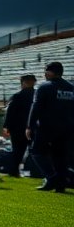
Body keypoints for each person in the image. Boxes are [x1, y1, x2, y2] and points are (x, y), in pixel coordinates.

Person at [26, 62, 74, 192]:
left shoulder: (45, 87)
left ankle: (52, 178)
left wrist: (29, 126)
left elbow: (36, 107)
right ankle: (61, 185)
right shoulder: (71, 88)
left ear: (50, 72)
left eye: (46, 71)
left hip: (47, 127)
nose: (45, 74)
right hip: (67, 128)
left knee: (36, 152)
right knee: (61, 157)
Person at [2, 74, 37, 177]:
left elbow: (10, 112)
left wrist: (7, 126)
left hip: (18, 128)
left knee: (17, 151)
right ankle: (34, 171)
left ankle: (14, 171)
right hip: (33, 127)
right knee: (34, 151)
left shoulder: (17, 96)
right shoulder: (37, 95)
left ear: (23, 83)